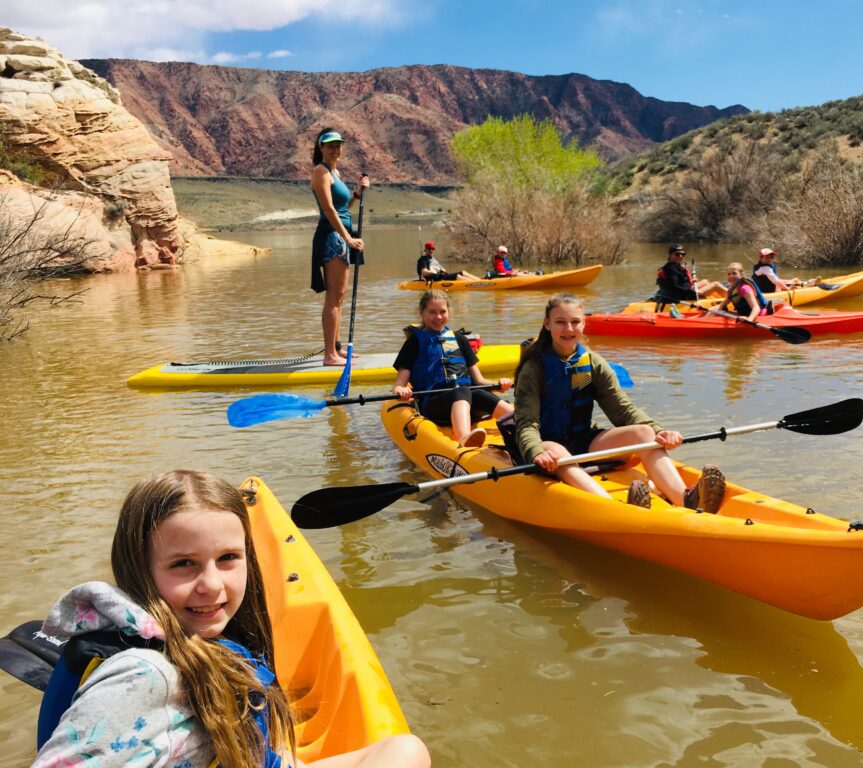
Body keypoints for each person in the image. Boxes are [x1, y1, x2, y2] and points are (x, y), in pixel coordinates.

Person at [33, 470, 431, 768]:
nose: (211, 584)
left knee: (406, 750)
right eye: (183, 564)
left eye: (227, 559)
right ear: (140, 569)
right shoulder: (143, 675)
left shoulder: (196, 642)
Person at [514, 293, 726, 512]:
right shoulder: (534, 369)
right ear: (547, 324)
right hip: (548, 445)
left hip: (584, 443)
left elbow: (622, 409)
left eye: (575, 322)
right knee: (560, 455)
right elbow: (526, 422)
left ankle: (685, 499)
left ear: (583, 323)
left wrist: (658, 431)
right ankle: (614, 508)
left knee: (643, 433)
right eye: (560, 322)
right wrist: (536, 451)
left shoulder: (593, 364)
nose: (569, 329)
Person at [393, 289, 514, 448]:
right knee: (462, 390)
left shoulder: (460, 339)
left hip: (467, 404)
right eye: (432, 312)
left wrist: (499, 384)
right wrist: (401, 391)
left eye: (443, 312)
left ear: (448, 312)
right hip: (435, 406)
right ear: (422, 313)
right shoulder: (414, 343)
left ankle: (523, 425)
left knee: (478, 392)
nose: (438, 317)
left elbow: (479, 380)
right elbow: (398, 384)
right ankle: (464, 437)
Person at [310, 128, 369, 367]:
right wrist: (347, 238)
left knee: (340, 297)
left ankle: (337, 349)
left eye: (338, 145)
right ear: (321, 147)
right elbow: (329, 210)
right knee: (333, 298)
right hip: (332, 237)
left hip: (341, 234)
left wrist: (357, 192)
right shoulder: (320, 171)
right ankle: (329, 356)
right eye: (330, 145)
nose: (335, 149)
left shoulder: (336, 172)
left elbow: (344, 208)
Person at [649, 244, 714, 309]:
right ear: (670, 255)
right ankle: (723, 303)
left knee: (705, 282)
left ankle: (715, 300)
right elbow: (674, 287)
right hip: (679, 295)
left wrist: (691, 281)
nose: (680, 256)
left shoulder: (675, 266)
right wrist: (691, 291)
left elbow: (680, 282)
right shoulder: (671, 269)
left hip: (681, 291)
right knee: (716, 284)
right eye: (677, 254)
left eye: (683, 254)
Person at [751, 247, 820, 294]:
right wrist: (787, 288)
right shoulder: (765, 268)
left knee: (795, 280)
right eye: (766, 257)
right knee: (792, 282)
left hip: (767, 288)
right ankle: (810, 285)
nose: (769, 258)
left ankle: (808, 284)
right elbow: (776, 281)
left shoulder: (762, 267)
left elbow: (774, 279)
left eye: (771, 256)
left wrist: (786, 282)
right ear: (761, 258)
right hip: (768, 292)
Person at [416, 242, 482, 282]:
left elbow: (442, 269)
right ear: (425, 250)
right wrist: (435, 272)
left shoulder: (433, 259)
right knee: (457, 276)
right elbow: (424, 272)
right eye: (429, 249)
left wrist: (442, 271)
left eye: (432, 249)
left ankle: (480, 281)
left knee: (462, 272)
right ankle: (475, 284)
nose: (431, 250)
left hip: (441, 276)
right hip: (435, 279)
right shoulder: (423, 259)